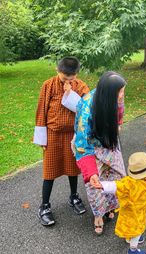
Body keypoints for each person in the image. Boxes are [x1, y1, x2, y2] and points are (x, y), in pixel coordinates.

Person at [33, 56, 90, 226]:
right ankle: (44, 206)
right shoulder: (48, 85)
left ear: (76, 75)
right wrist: (42, 137)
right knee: (50, 171)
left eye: (71, 78)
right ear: (58, 71)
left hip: (72, 135)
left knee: (72, 169)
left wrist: (69, 94)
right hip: (53, 134)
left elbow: (87, 108)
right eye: (64, 78)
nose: (67, 81)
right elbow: (41, 110)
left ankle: (74, 197)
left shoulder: (80, 86)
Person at [72, 71, 127, 234]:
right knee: (94, 183)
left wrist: (117, 125)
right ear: (109, 93)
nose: (122, 95)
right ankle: (98, 215)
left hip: (108, 141)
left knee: (116, 175)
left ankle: (111, 206)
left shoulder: (115, 96)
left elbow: (119, 112)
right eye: (120, 91)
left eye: (123, 90)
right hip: (89, 147)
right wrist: (91, 172)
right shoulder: (87, 106)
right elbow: (82, 144)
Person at [99, 152, 146, 254]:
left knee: (130, 228)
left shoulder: (145, 179)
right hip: (133, 213)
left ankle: (130, 237)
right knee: (137, 230)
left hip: (135, 211)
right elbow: (115, 186)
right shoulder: (129, 183)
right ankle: (133, 250)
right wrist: (101, 185)